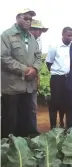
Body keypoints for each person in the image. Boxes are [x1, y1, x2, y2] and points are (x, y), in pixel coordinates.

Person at [1, 8, 41, 138]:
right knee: (10, 122)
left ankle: (21, 150)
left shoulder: (31, 38)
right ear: (17, 18)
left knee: (24, 122)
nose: (28, 21)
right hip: (12, 88)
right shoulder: (6, 36)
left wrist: (35, 69)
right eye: (25, 18)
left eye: (30, 19)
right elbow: (3, 58)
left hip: (28, 88)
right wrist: (24, 69)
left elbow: (38, 57)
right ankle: (7, 151)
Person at [46, 27, 72, 129]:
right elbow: (48, 62)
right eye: (68, 35)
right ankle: (53, 127)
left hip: (69, 79)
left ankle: (64, 125)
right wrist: (57, 72)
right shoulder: (55, 47)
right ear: (62, 35)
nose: (70, 38)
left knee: (66, 103)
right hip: (57, 79)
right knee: (55, 103)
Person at [29, 19, 48, 135]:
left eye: (41, 31)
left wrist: (37, 76)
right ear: (32, 30)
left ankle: (33, 130)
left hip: (32, 79)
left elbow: (38, 61)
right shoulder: (25, 42)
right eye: (38, 30)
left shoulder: (37, 43)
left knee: (32, 106)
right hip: (20, 79)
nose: (40, 33)